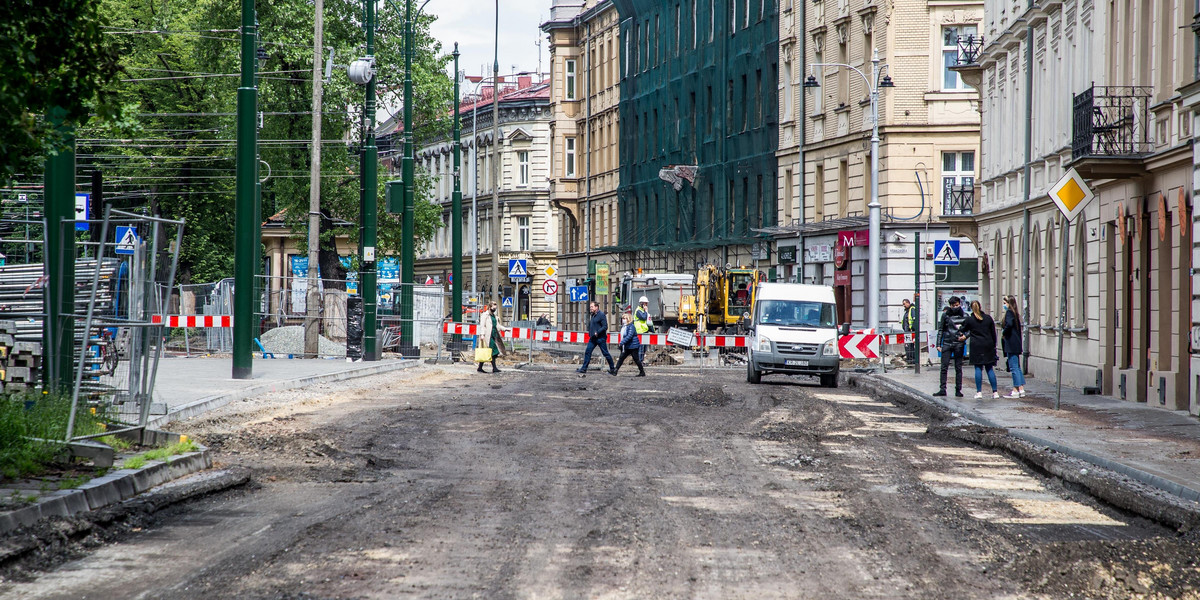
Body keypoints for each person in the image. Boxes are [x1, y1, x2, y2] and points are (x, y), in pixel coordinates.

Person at [961, 300, 1000, 399]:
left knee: (978, 368)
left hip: (976, 346)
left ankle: (979, 392)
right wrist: (994, 345)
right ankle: (995, 392)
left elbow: (962, 329)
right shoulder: (988, 318)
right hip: (988, 345)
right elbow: (993, 334)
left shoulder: (970, 320)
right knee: (989, 368)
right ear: (980, 307)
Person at [932, 296, 967, 397]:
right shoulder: (945, 315)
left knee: (958, 367)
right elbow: (941, 330)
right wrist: (938, 344)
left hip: (958, 344)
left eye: (957, 305)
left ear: (959, 304)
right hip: (947, 343)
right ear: (950, 306)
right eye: (953, 305)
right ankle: (943, 389)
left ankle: (958, 390)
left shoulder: (965, 315)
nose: (955, 307)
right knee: (944, 367)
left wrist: (965, 336)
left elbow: (969, 329)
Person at [577, 301, 616, 375]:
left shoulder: (601, 315)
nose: (590, 308)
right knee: (588, 352)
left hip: (600, 338)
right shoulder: (593, 315)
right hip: (593, 338)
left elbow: (605, 326)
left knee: (605, 353)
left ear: (596, 307)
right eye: (590, 307)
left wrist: (597, 332)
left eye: (592, 307)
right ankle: (584, 368)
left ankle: (612, 369)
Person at [1001, 295, 1027, 398]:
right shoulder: (1015, 314)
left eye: (1005, 303)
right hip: (1016, 343)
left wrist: (1004, 332)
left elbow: (1009, 324)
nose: (1004, 305)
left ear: (1009, 304)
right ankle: (1020, 388)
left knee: (1013, 367)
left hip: (1011, 343)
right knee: (1017, 367)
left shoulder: (1009, 313)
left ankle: (1016, 390)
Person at [476, 302, 506, 374]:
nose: (494, 309)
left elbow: (497, 325)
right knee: (493, 351)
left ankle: (480, 367)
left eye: (495, 308)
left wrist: (504, 329)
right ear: (489, 307)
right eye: (493, 308)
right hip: (487, 336)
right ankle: (494, 368)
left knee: (487, 352)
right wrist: (482, 334)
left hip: (494, 335)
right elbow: (482, 325)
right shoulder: (485, 315)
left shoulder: (494, 316)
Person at [613, 312, 647, 377]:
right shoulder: (624, 327)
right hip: (627, 346)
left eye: (625, 318)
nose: (624, 320)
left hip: (633, 346)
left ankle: (642, 371)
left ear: (629, 319)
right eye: (623, 318)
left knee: (636, 359)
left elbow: (629, 336)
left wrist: (622, 343)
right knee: (621, 358)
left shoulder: (631, 326)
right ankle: (615, 371)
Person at [634, 295, 653, 364]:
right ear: (641, 303)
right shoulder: (638, 311)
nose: (646, 305)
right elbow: (644, 317)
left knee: (644, 347)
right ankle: (640, 361)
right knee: (641, 348)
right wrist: (646, 311)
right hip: (640, 331)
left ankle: (641, 360)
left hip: (644, 331)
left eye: (647, 303)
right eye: (645, 303)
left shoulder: (642, 310)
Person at [901, 298, 918, 362]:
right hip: (907, 332)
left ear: (908, 303)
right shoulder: (907, 311)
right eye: (903, 304)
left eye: (904, 304)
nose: (904, 305)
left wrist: (912, 329)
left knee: (910, 346)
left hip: (910, 332)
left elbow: (914, 320)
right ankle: (910, 359)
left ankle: (912, 360)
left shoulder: (912, 309)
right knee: (907, 346)